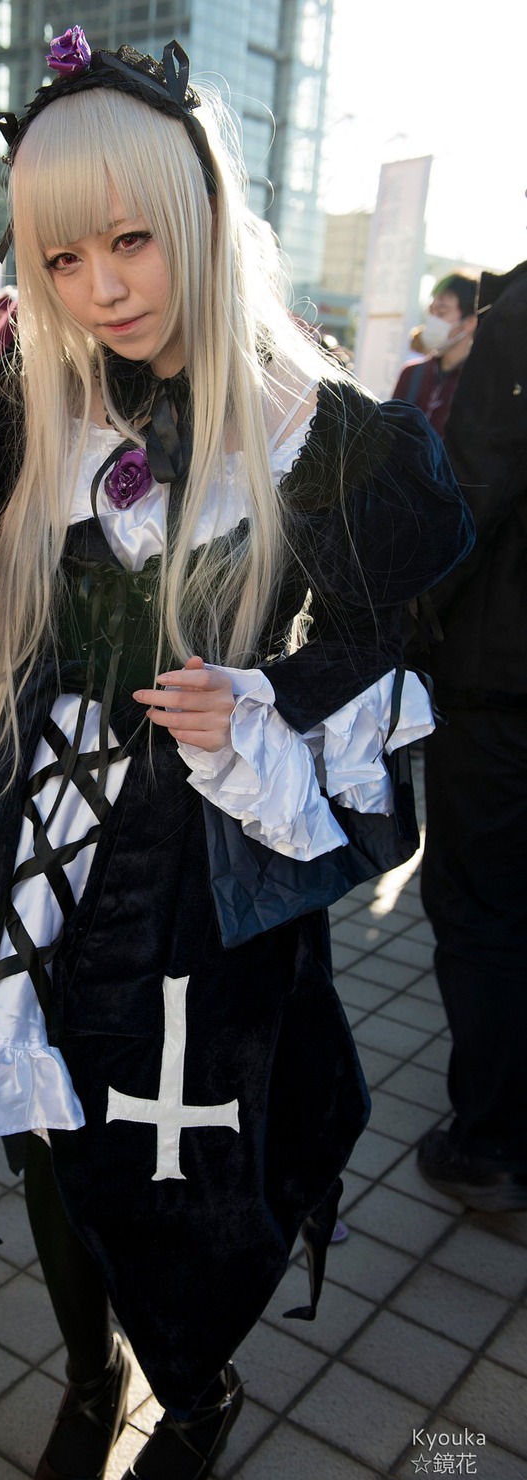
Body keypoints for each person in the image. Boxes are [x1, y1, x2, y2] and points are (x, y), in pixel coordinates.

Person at [0, 29, 472, 1480]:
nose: (99, 288)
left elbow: (377, 659)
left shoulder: (324, 442)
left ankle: (194, 1388)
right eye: (60, 259)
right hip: (48, 854)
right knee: (50, 1145)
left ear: (202, 224)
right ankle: (84, 1371)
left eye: (129, 242)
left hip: (203, 882)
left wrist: (261, 703)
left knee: (186, 1162)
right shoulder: (33, 418)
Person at [414, 244, 527, 1212]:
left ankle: (487, 1142)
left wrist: (399, 629)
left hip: (500, 680)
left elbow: (468, 499)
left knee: (482, 909)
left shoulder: (518, 319)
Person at [392, 272, 478, 436]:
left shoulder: (480, 385)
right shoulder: (411, 374)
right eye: (431, 311)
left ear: (469, 323)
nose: (432, 320)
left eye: (441, 312)